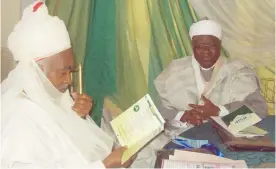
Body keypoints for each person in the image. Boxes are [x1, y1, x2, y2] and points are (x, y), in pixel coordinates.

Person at [1, 1, 135, 168]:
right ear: (36, 71)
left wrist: (79, 118)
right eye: (63, 72)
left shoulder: (47, 98)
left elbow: (65, 152)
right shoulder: (19, 119)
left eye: (70, 72)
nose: (68, 80)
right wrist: (105, 165)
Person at [154, 19, 268, 129]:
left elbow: (259, 109)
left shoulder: (238, 71)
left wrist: (219, 111)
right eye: (199, 47)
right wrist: (183, 116)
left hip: (225, 136)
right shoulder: (175, 70)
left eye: (212, 46)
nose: (206, 52)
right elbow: (157, 109)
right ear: (192, 47)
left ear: (220, 45)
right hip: (181, 134)